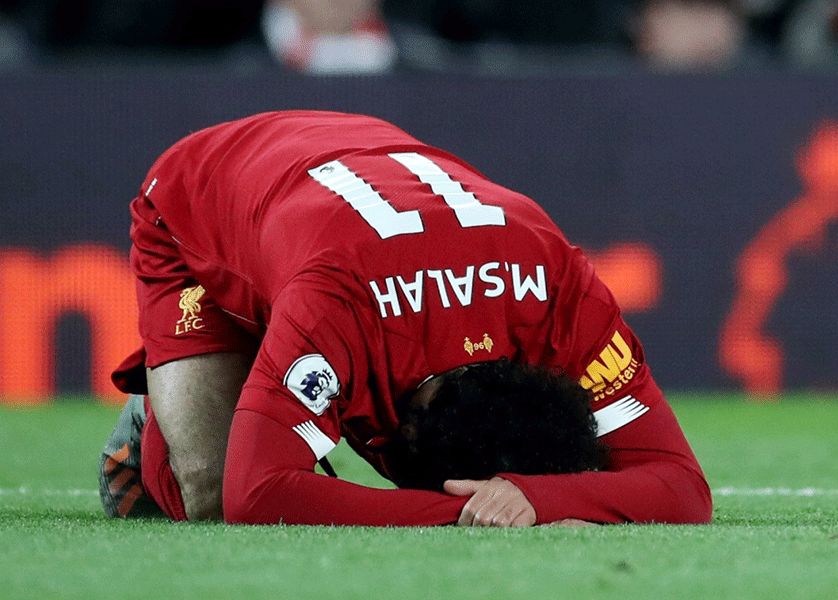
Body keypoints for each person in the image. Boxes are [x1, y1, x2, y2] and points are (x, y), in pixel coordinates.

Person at [98, 110, 712, 526]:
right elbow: (253, 494)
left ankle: (260, 383)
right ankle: (151, 417)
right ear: (406, 434)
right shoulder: (342, 304)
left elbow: (684, 487)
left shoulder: (563, 294)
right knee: (210, 493)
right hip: (198, 191)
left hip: (337, 176)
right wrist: (471, 513)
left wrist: (539, 495)